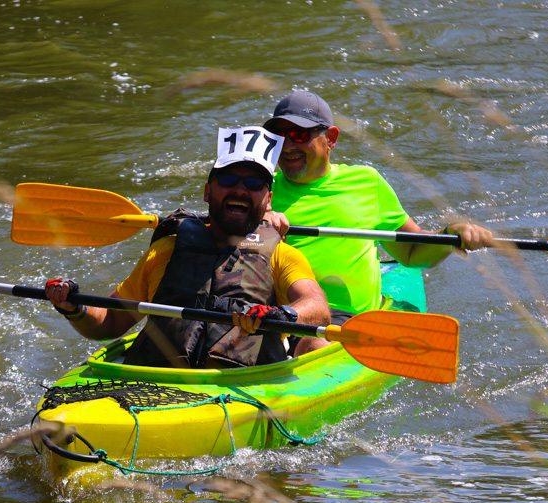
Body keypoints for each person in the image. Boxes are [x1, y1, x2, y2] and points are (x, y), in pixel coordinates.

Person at [46, 126, 330, 369]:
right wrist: (74, 307)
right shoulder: (166, 250)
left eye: (254, 183)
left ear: (267, 200)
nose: (240, 189)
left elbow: (317, 307)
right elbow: (110, 321)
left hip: (242, 387)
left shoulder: (281, 254)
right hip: (154, 383)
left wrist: (282, 315)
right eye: (229, 180)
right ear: (208, 192)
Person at [262, 90, 494, 319]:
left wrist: (450, 235)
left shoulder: (367, 182)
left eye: (300, 135)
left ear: (330, 139)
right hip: (287, 318)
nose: (288, 146)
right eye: (279, 137)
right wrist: (259, 225)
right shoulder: (259, 189)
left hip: (355, 322)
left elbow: (413, 254)